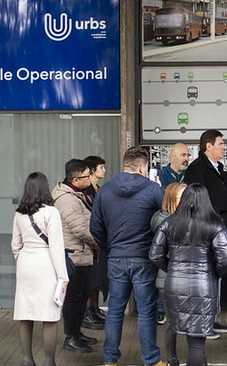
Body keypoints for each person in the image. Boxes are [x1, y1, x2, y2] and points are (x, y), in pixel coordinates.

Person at [90, 147, 165, 366]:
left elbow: (95, 227)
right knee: (146, 311)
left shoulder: (104, 191)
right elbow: (166, 220)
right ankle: (151, 360)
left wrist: (110, 246)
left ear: (124, 165)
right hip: (143, 258)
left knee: (114, 311)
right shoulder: (153, 190)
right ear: (143, 167)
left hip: (115, 258)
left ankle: (110, 360)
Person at [150, 184, 227, 366]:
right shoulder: (214, 223)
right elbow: (226, 258)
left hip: (175, 283)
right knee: (196, 340)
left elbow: (154, 255)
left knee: (177, 326)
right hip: (203, 284)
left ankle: (173, 360)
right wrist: (214, 273)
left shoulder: (169, 222)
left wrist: (172, 269)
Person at [11, 172, 69, 366]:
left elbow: (15, 245)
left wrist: (22, 258)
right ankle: (49, 361)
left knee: (25, 314)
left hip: (25, 263)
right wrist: (63, 276)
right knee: (49, 315)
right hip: (46, 263)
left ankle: (27, 360)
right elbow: (56, 247)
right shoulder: (51, 212)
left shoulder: (19, 213)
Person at [183, 129, 227, 335]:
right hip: (205, 232)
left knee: (216, 278)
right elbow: (194, 203)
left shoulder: (220, 168)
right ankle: (203, 323)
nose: (224, 147)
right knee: (205, 279)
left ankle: (212, 318)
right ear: (208, 146)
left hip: (220, 228)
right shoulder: (196, 169)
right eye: (220, 143)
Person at [52, 159, 99, 353]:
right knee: (74, 297)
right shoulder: (66, 199)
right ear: (75, 179)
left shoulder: (76, 194)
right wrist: (100, 243)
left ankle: (77, 333)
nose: (90, 178)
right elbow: (79, 229)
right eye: (87, 176)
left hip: (82, 253)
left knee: (82, 296)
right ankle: (70, 337)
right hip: (74, 255)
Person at [150, 182, 188, 355]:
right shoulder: (165, 221)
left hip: (169, 277)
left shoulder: (162, 217)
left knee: (175, 323)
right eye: (183, 196)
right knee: (173, 323)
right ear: (173, 198)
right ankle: (172, 358)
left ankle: (175, 358)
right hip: (170, 278)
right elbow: (159, 254)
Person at [83, 155, 108, 330]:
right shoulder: (86, 192)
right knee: (90, 279)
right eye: (101, 167)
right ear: (92, 170)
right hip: (89, 242)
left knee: (97, 278)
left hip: (99, 242)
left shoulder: (98, 189)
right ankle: (87, 311)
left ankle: (94, 308)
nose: (104, 170)